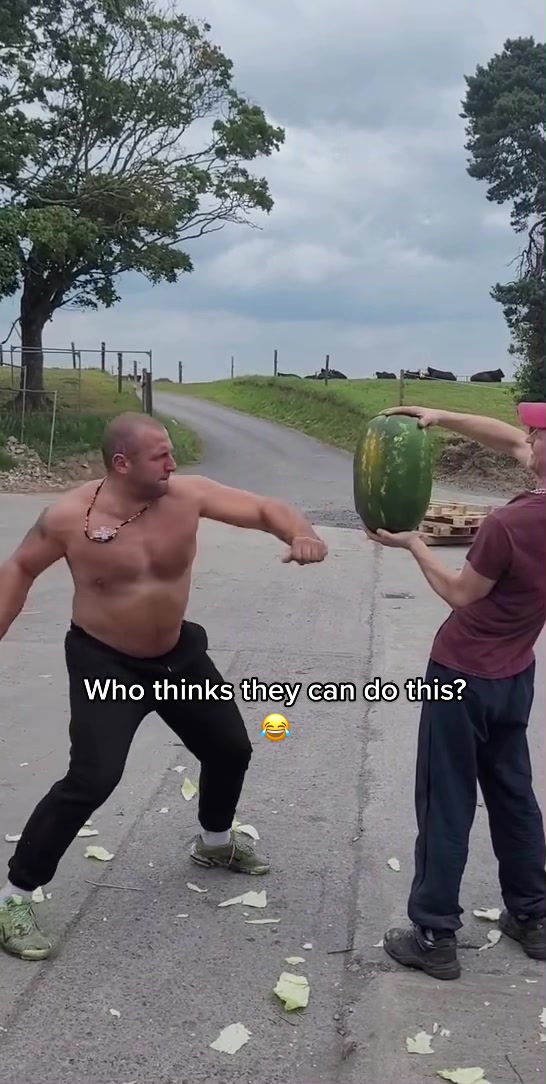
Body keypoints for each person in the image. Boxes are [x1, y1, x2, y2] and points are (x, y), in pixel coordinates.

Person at [0, 411, 328, 961]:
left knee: (230, 749)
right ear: (122, 464)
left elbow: (262, 508)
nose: (173, 464)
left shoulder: (186, 496)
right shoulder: (68, 518)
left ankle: (215, 843)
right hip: (107, 665)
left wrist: (301, 532)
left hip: (178, 658)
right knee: (93, 778)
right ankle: (15, 895)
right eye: (161, 457)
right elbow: (20, 568)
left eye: (172, 453)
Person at [365, 400, 546, 980]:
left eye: (537, 433)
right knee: (513, 794)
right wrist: (440, 416)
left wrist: (415, 544)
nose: (526, 437)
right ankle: (534, 917)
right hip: (515, 674)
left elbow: (462, 594)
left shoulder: (508, 526)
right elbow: (507, 441)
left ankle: (434, 933)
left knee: (445, 799)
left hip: (462, 677)